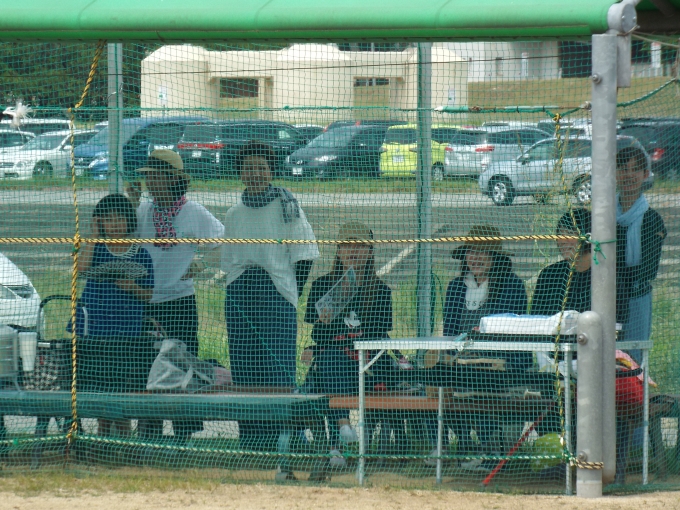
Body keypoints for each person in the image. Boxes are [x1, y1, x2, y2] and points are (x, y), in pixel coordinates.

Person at [221, 141, 319, 476]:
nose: (255, 173)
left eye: (261, 167)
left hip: (277, 294)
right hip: (240, 294)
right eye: (248, 168)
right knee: (245, 367)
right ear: (240, 173)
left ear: (271, 170)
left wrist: (292, 292)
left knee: (279, 369)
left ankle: (288, 442)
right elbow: (229, 262)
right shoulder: (233, 214)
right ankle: (252, 442)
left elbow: (304, 256)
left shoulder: (287, 206)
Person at [128, 149, 225, 443]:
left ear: (173, 179)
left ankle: (184, 434)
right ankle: (149, 433)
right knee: (146, 365)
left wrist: (201, 264)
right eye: (147, 177)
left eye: (155, 177)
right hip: (145, 300)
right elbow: (123, 244)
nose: (149, 183)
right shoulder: (143, 211)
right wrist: (130, 205)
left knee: (183, 366)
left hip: (180, 301)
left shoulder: (193, 212)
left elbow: (224, 243)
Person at [302, 222, 393, 468]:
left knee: (331, 362)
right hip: (334, 363)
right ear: (339, 251)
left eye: (360, 246)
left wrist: (347, 343)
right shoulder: (322, 286)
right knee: (329, 361)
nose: (353, 251)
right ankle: (340, 433)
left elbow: (379, 334)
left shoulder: (381, 291)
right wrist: (325, 323)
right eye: (347, 245)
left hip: (368, 365)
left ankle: (339, 440)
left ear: (370, 251)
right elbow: (319, 335)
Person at [440, 224, 528, 471]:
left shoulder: (512, 286)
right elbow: (450, 332)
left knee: (477, 380)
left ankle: (490, 449)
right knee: (434, 376)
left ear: (495, 257)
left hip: (501, 363)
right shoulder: (456, 287)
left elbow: (509, 332)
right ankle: (457, 446)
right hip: (462, 363)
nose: (475, 258)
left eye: (483, 252)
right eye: (471, 251)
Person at [74, 193, 154, 437]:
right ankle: (103, 438)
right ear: (99, 222)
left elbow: (148, 294)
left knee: (122, 385)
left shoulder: (141, 254)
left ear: (129, 220)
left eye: (120, 218)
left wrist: (132, 288)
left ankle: (125, 440)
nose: (115, 224)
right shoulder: (96, 249)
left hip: (126, 331)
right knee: (101, 385)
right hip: (95, 329)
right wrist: (94, 237)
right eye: (108, 219)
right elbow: (81, 269)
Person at [616, 144, 666, 362]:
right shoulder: (601, 215)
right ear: (614, 173)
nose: (629, 175)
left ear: (645, 174)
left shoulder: (652, 219)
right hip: (604, 293)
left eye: (635, 169)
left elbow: (649, 269)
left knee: (632, 359)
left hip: (636, 295)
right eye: (623, 168)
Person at [531, 208, 592, 316]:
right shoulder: (549, 275)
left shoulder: (605, 275)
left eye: (569, 234)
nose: (563, 241)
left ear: (586, 236)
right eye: (559, 235)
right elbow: (537, 319)